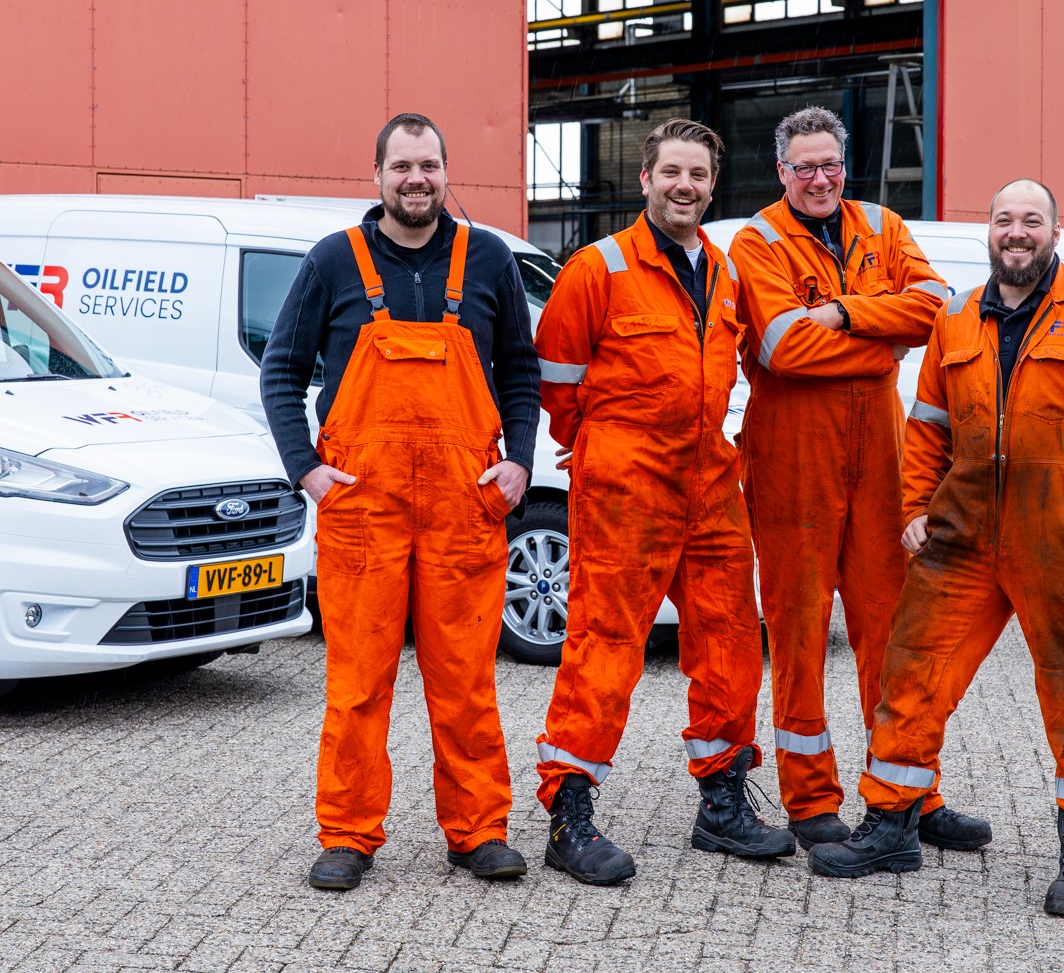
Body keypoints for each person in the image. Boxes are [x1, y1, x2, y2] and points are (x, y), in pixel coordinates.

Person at [809, 179, 1064, 919]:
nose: (1016, 232)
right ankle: (891, 821)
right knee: (911, 672)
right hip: (963, 534)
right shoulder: (956, 316)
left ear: (1054, 234)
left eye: (1031, 220)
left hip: (1062, 539)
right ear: (990, 232)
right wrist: (915, 508)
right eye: (1005, 219)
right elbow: (928, 426)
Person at [260, 113, 541, 890]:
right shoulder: (333, 260)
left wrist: (519, 460)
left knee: (467, 680)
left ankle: (479, 830)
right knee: (358, 682)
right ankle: (348, 833)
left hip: (463, 506)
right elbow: (280, 371)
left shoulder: (488, 259)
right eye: (402, 166)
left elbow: (520, 370)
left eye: (429, 165)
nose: (416, 179)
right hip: (363, 507)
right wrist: (306, 469)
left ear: (447, 173)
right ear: (377, 175)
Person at [532, 118, 796, 886]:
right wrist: (597, 441)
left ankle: (722, 802)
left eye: (699, 175)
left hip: (710, 480)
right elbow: (557, 379)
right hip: (627, 484)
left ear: (713, 186)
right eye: (672, 172)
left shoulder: (724, 270)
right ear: (645, 179)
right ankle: (568, 811)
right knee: (605, 643)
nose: (686, 186)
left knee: (731, 641)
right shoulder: (598, 268)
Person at [728, 105, 989, 852]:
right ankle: (811, 798)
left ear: (846, 165)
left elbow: (936, 310)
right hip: (792, 461)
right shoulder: (756, 241)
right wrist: (882, 343)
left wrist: (842, 314)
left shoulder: (882, 224)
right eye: (805, 166)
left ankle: (907, 791)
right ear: (782, 171)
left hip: (879, 455)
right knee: (799, 630)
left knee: (894, 630)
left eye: (830, 164)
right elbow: (783, 348)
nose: (820, 178)